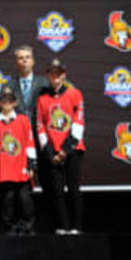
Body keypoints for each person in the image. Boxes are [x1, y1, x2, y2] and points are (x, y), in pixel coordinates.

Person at [36, 58, 86, 235]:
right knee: (56, 192)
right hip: (52, 152)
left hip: (73, 150)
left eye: (59, 73)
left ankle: (76, 227)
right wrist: (50, 152)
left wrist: (65, 150)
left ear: (63, 75)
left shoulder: (75, 94)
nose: (55, 76)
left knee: (73, 189)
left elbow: (78, 123)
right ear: (47, 75)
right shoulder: (42, 99)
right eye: (52, 73)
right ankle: (62, 226)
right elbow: (40, 126)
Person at [0, 86, 37, 235]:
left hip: (21, 167)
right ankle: (10, 227)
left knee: (25, 199)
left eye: (10, 100)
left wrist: (31, 163)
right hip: (4, 169)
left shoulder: (23, 120)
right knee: (7, 200)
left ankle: (27, 226)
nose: (7, 103)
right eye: (3, 100)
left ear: (15, 103)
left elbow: (29, 142)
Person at [1, 45, 50, 197]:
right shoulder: (8, 86)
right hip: (19, 143)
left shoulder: (45, 84)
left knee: (49, 183)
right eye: (21, 58)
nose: (24, 61)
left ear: (33, 61)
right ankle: (24, 220)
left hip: (42, 139)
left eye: (27, 57)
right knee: (21, 188)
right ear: (16, 63)